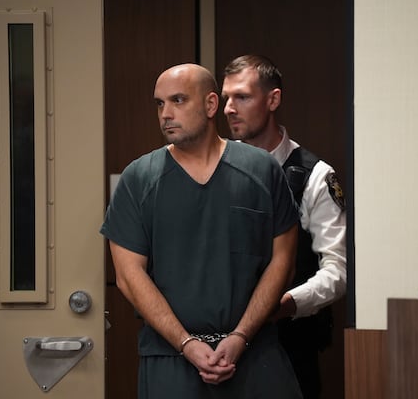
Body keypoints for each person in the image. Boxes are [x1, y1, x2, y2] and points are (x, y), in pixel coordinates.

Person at [100, 63, 303, 399]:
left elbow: (283, 262)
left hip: (254, 355)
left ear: (211, 105)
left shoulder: (261, 170)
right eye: (159, 103)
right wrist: (186, 343)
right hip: (170, 360)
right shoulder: (138, 178)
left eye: (178, 100)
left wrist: (241, 336)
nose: (166, 113)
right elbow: (128, 276)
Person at [222, 54, 347, 399]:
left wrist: (285, 304)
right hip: (219, 346)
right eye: (227, 98)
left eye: (242, 97)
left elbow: (336, 273)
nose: (229, 108)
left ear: (273, 99)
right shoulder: (214, 169)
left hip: (290, 344)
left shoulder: (314, 175)